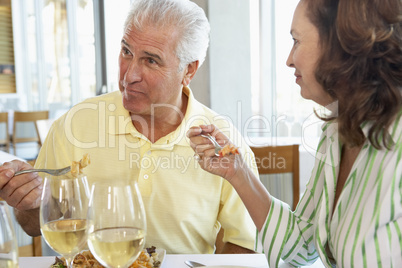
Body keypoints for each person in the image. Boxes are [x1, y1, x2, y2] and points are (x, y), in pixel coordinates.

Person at [0, 0, 258, 254]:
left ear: (188, 71)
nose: (129, 75)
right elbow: (34, 225)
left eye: (151, 61)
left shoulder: (224, 145)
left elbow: (244, 243)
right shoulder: (75, 124)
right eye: (126, 52)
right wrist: (28, 202)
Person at [187, 0, 402, 267]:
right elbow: (300, 246)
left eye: (296, 41)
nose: (289, 60)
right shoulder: (337, 134)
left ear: (343, 45)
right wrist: (237, 171)